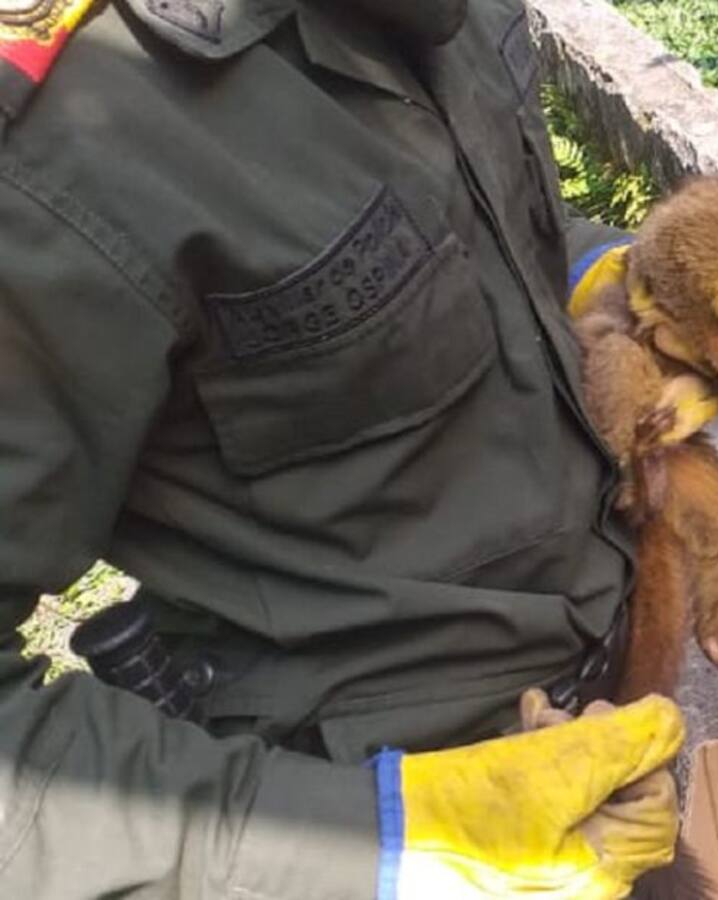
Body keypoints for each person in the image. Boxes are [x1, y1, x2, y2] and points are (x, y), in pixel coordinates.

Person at [0, 0, 683, 895]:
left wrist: (609, 280)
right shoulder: (68, 147)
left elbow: (438, 226)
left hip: (607, 754)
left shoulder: (443, 17)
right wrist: (383, 842)